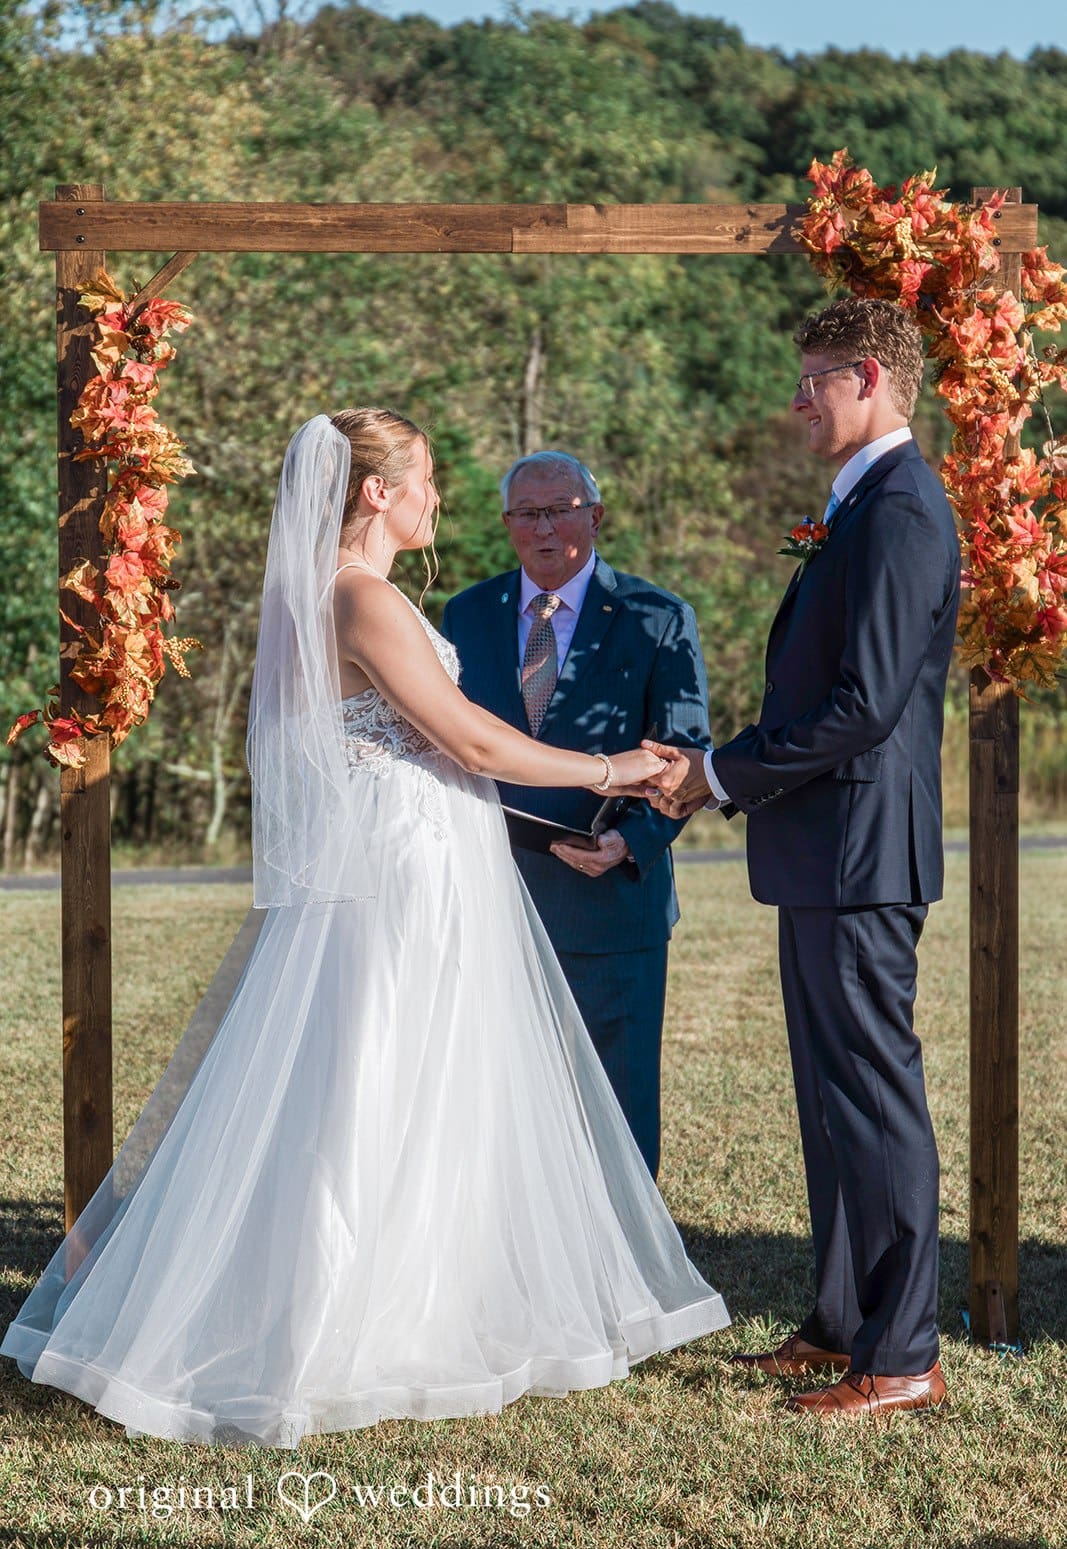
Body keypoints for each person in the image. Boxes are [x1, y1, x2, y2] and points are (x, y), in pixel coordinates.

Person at [1, 409, 729, 1448]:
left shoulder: (327, 593)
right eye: (425, 478)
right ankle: (351, 1321)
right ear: (376, 493)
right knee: (382, 1074)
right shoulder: (358, 596)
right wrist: (616, 769)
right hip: (404, 873)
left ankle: (421, 1287)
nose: (438, 497)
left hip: (407, 859)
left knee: (398, 1074)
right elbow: (473, 737)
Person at [641, 300, 959, 1418]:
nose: (795, 400)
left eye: (811, 378)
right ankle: (838, 1322)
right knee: (829, 1101)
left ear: (868, 376)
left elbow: (863, 705)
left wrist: (717, 774)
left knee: (874, 1099)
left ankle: (904, 1349)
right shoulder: (858, 504)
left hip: (863, 853)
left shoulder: (902, 509)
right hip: (825, 852)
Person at [441, 451, 709, 1179]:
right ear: (506, 525)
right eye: (527, 513)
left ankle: (625, 1263)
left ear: (596, 516)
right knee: (499, 1098)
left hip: (609, 898)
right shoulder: (464, 614)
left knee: (615, 1107)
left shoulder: (656, 617)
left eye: (560, 508)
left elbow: (684, 753)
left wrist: (630, 840)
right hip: (490, 897)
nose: (544, 526)